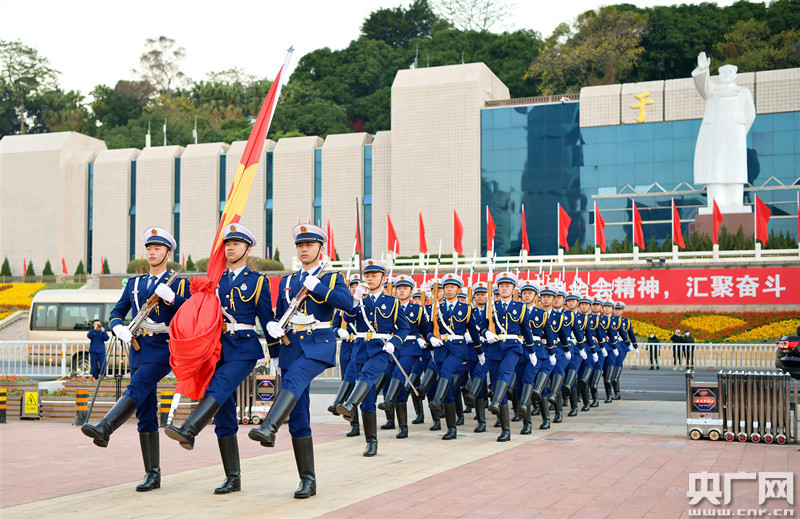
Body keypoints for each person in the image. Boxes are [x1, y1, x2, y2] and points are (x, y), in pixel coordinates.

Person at [165, 223, 274, 494]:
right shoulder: (216, 280)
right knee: (224, 414)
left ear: (248, 248)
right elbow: (197, 308)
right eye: (227, 244)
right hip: (218, 347)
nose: (230, 248)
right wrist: (175, 299)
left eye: (236, 244)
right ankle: (233, 477)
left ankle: (190, 428)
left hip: (245, 349)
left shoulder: (258, 280)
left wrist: (278, 354)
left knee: (219, 387)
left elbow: (266, 319)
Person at [247, 224, 353, 499]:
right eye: (300, 245)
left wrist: (319, 288)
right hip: (291, 346)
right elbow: (279, 315)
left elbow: (348, 304)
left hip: (319, 343)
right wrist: (273, 335)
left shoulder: (331, 278)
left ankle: (269, 425)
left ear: (321, 248)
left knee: (294, 380)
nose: (304, 249)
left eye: (309, 245)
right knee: (298, 414)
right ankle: (308, 480)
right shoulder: (287, 281)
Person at [81, 227, 189, 492]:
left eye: (158, 249)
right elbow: (118, 310)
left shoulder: (178, 282)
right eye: (149, 249)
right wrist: (117, 326)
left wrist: (174, 298)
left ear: (168, 252)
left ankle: (106, 427)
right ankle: (152, 474)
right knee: (146, 409)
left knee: (137, 386)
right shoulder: (135, 283)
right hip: (138, 347)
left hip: (165, 347)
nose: (152, 253)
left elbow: (191, 312)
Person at [336, 259, 409, 455]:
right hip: (360, 349)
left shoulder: (392, 302)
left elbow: (404, 328)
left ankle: (350, 403)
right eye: (367, 276)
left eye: (374, 276)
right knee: (368, 399)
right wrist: (354, 300)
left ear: (383, 278)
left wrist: (395, 343)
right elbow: (348, 318)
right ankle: (371, 441)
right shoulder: (360, 301)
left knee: (367, 375)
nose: (369, 279)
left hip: (381, 349)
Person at [692, 52, 756, 212]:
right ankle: (717, 200)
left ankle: (735, 201)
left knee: (735, 167)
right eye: (723, 73)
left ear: (735, 75)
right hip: (716, 135)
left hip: (735, 135)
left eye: (730, 72)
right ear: (719, 75)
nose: (727, 75)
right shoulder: (713, 91)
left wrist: (740, 131)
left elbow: (750, 115)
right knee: (716, 167)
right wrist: (703, 69)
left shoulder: (744, 92)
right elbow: (703, 85)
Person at [427, 273, 483, 441]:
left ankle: (437, 399)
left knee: (446, 371)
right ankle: (452, 429)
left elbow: (473, 331)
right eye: (446, 287)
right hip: (441, 348)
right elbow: (429, 328)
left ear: (459, 290)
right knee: (449, 388)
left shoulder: (466, 309)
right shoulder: (436, 309)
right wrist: (431, 338)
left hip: (458, 349)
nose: (449, 290)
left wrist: (479, 352)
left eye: (452, 287)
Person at [484, 272, 533, 441]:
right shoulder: (491, 307)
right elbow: (481, 326)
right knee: (498, 380)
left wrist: (532, 351)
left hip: (513, 347)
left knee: (505, 372)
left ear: (513, 289)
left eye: (508, 286)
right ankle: (506, 430)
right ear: (498, 288)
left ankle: (495, 401)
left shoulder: (521, 307)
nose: (504, 289)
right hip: (495, 347)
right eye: (502, 286)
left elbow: (526, 331)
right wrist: (486, 333)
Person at [378, 274, 427, 439]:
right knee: (389, 378)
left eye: (405, 288)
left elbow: (425, 328)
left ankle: (391, 405)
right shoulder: (390, 306)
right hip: (394, 347)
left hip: (411, 348)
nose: (401, 291)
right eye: (399, 288)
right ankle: (396, 421)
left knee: (400, 374)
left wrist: (427, 339)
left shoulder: (418, 309)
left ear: (411, 291)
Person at [329, 274, 365, 438]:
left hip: (361, 345)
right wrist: (339, 331)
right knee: (348, 382)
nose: (354, 289)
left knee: (357, 383)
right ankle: (354, 424)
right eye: (352, 286)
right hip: (346, 347)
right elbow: (333, 327)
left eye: (357, 286)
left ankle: (339, 402)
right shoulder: (341, 308)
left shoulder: (366, 306)